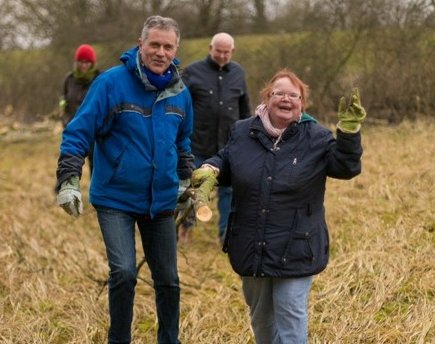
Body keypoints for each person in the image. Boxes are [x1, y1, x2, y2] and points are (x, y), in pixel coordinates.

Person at [190, 68, 366, 343]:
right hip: (251, 243)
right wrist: (211, 168)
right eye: (279, 93)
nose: (286, 99)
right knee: (261, 318)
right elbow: (227, 160)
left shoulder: (316, 138)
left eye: (293, 95)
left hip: (297, 245)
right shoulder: (242, 131)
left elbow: (346, 167)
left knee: (290, 313)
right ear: (266, 98)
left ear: (302, 103)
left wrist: (349, 134)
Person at [55, 15, 194, 344]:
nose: (161, 52)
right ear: (140, 44)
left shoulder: (180, 92)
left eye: (168, 46)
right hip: (115, 197)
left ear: (176, 50)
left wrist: (187, 181)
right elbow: (78, 132)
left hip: (160, 200)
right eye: (154, 44)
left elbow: (183, 142)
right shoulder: (111, 83)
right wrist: (69, 180)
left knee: (169, 281)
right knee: (124, 273)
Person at [178, 32, 251, 244]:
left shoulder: (238, 73)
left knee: (228, 190)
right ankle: (185, 228)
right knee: (192, 188)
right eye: (218, 51)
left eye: (226, 52)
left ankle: (225, 233)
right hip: (197, 143)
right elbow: (179, 107)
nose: (221, 55)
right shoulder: (192, 72)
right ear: (210, 48)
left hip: (228, 145)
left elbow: (244, 109)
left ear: (232, 52)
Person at [59, 44, 100, 175]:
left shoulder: (101, 79)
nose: (84, 65)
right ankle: (64, 189)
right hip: (73, 130)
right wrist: (64, 121)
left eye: (87, 62)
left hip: (95, 132)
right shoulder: (69, 79)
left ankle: (96, 194)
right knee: (69, 163)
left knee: (96, 167)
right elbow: (64, 101)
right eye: (81, 62)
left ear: (92, 63)